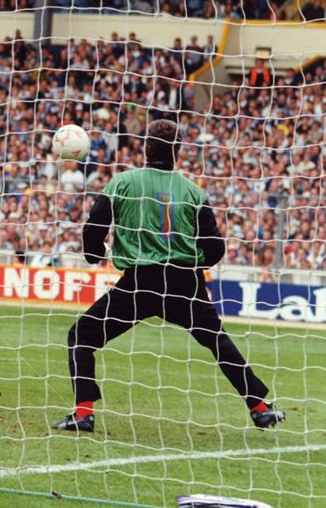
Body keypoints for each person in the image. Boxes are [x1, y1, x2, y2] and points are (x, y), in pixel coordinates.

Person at [53, 119, 284, 432]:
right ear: (178, 151)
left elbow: (93, 228)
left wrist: (96, 255)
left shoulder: (122, 183)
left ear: (146, 147)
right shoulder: (192, 192)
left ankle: (83, 414)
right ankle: (259, 408)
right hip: (184, 283)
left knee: (82, 336)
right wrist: (190, 262)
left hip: (140, 282)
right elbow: (215, 249)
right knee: (217, 342)